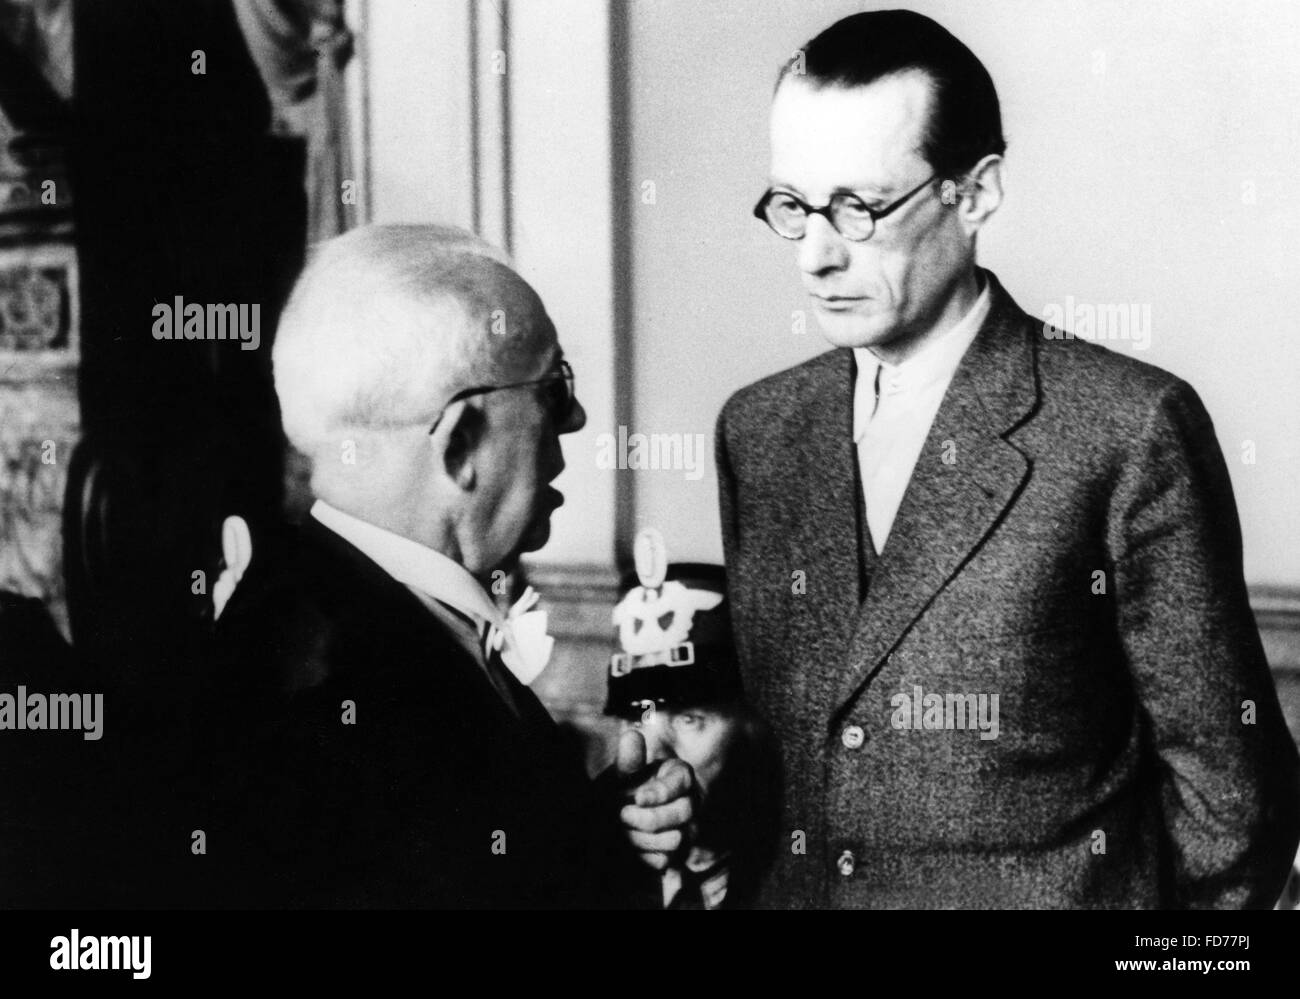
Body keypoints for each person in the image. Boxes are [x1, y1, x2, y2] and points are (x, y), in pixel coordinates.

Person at [709, 10, 1300, 908]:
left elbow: (1236, 809)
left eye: (859, 208)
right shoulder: (758, 430)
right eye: (793, 206)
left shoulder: (1130, 427)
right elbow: (796, 761)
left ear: (976, 193)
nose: (818, 256)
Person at [188, 224, 679, 908]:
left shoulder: (343, 616)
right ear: (460, 445)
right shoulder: (328, 690)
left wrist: (609, 827)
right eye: (552, 387)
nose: (576, 418)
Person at [603, 534, 779, 908]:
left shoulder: (798, 872)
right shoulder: (591, 871)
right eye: (638, 716)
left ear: (752, 727)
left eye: (688, 719)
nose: (656, 753)